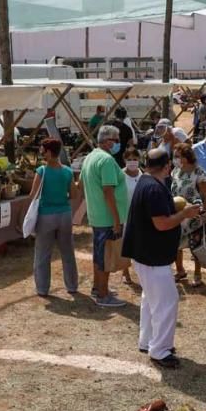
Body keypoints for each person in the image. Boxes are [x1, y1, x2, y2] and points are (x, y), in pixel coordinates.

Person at [122, 149, 202, 369]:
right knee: (167, 302)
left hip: (145, 254)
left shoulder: (146, 182)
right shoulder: (154, 188)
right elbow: (162, 223)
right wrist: (185, 214)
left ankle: (148, 341)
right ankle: (160, 350)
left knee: (151, 301)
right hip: (152, 256)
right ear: (167, 165)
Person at [81, 125, 129, 307]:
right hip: (107, 218)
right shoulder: (107, 161)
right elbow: (108, 192)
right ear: (108, 141)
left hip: (97, 216)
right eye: (116, 140)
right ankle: (102, 294)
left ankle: (98, 288)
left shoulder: (91, 157)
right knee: (106, 258)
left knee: (99, 256)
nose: (118, 143)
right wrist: (117, 220)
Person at [29, 138, 80, 296]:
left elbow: (33, 195)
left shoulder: (42, 171)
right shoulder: (67, 172)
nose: (42, 154)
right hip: (64, 214)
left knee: (43, 254)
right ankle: (72, 286)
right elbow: (73, 194)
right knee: (68, 253)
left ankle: (42, 288)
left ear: (49, 152)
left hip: (46, 215)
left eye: (43, 152)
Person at [171, 144, 206, 287]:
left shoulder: (200, 173)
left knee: (195, 245)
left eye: (177, 156)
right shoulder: (175, 171)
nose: (175, 159)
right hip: (178, 214)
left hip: (195, 214)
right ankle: (180, 270)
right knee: (176, 243)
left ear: (186, 157)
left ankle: (197, 274)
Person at [121, 147, 144, 286]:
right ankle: (125, 272)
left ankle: (141, 273)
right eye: (129, 159)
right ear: (124, 160)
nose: (132, 162)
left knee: (140, 245)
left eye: (135, 159)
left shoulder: (144, 176)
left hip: (140, 216)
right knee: (125, 245)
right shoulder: (120, 175)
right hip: (124, 215)